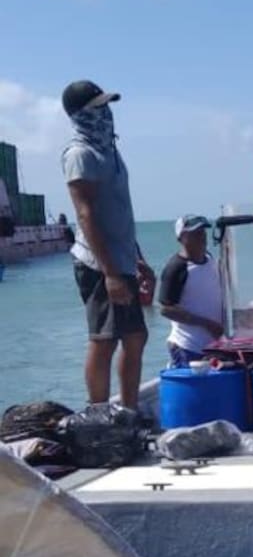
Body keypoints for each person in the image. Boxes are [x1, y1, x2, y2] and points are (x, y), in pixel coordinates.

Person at [60, 80, 153, 410]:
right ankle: (98, 414)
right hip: (98, 263)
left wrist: (137, 258)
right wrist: (111, 273)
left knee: (136, 336)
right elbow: (85, 214)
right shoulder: (80, 154)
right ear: (80, 114)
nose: (106, 113)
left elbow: (119, 211)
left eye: (106, 106)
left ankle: (128, 411)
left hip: (121, 258)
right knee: (104, 339)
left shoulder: (109, 150)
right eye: (97, 107)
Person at [158, 215, 224, 368]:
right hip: (187, 346)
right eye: (195, 233)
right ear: (181, 237)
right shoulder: (177, 268)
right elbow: (166, 309)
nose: (201, 237)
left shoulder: (209, 258)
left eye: (202, 232)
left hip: (213, 346)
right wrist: (207, 324)